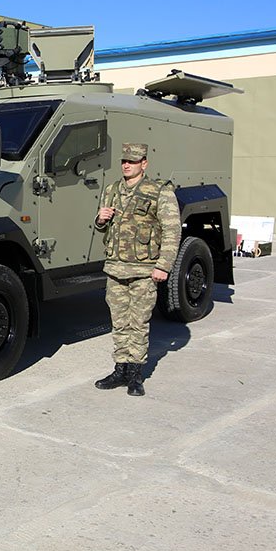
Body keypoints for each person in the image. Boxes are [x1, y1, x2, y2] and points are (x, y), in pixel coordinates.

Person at [93, 143, 181, 396]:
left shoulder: (159, 192)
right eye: (124, 161)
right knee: (119, 322)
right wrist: (100, 219)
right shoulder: (111, 190)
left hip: (144, 269)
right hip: (115, 267)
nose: (127, 165)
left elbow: (172, 231)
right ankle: (120, 369)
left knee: (138, 323)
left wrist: (163, 266)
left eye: (133, 161)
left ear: (145, 163)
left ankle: (135, 374)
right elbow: (102, 227)